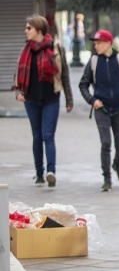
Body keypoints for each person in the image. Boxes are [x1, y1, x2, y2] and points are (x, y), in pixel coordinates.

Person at [13, 14, 74, 187]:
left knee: (48, 135)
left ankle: (51, 172)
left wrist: (69, 100)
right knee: (37, 136)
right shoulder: (25, 50)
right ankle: (39, 173)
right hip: (31, 99)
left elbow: (65, 75)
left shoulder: (56, 48)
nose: (26, 31)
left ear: (39, 30)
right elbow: (17, 74)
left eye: (29, 28)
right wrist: (18, 92)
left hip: (51, 99)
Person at [78, 30, 119, 191]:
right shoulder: (94, 61)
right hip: (101, 109)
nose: (96, 46)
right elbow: (83, 84)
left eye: (99, 43)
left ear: (109, 43)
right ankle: (107, 179)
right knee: (105, 143)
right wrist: (92, 100)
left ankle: (116, 165)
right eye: (95, 43)